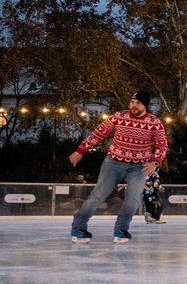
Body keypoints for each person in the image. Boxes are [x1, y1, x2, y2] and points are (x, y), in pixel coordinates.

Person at [68, 91, 168, 244]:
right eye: (132, 102)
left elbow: (162, 144)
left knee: (133, 199)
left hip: (139, 166)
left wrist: (155, 162)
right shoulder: (119, 116)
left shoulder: (154, 122)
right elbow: (98, 133)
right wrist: (80, 150)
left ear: (145, 105)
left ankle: (121, 230)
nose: (134, 105)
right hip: (114, 162)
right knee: (98, 195)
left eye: (138, 103)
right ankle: (78, 228)